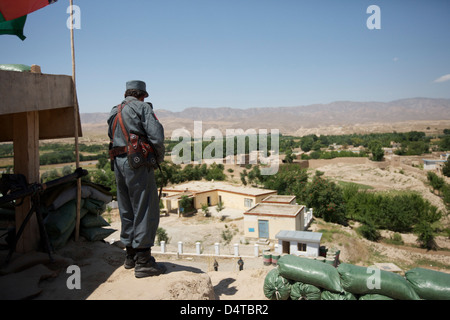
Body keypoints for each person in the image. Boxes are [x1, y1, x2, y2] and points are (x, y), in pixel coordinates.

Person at [107, 80, 166, 278]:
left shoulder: (114, 110)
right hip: (137, 164)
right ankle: (144, 262)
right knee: (145, 208)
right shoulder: (142, 108)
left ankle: (130, 256)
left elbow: (110, 135)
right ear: (142, 95)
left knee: (126, 208)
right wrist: (158, 158)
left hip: (118, 163)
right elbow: (156, 137)